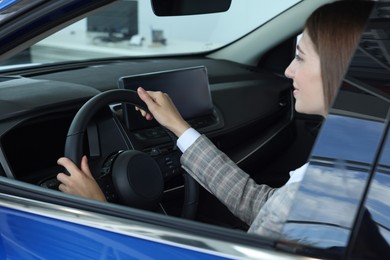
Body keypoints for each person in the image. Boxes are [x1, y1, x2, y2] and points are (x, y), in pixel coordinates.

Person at [56, 1, 373, 238]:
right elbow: (262, 205)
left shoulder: (333, 195)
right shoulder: (361, 160)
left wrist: (100, 213)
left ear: (341, 70)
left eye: (300, 57)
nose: (289, 71)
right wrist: (179, 128)